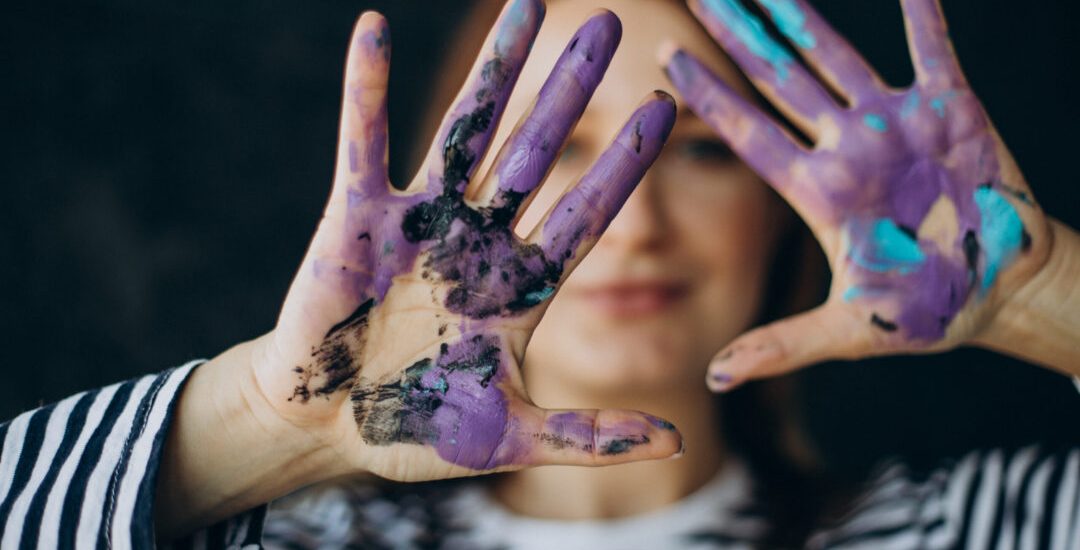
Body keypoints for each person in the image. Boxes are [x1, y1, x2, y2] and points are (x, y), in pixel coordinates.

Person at [1, 0, 1078, 548]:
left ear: (787, 211)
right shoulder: (291, 543)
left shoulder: (968, 529)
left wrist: (1045, 300)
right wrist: (273, 425)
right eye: (559, 152)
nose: (633, 221)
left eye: (701, 152)